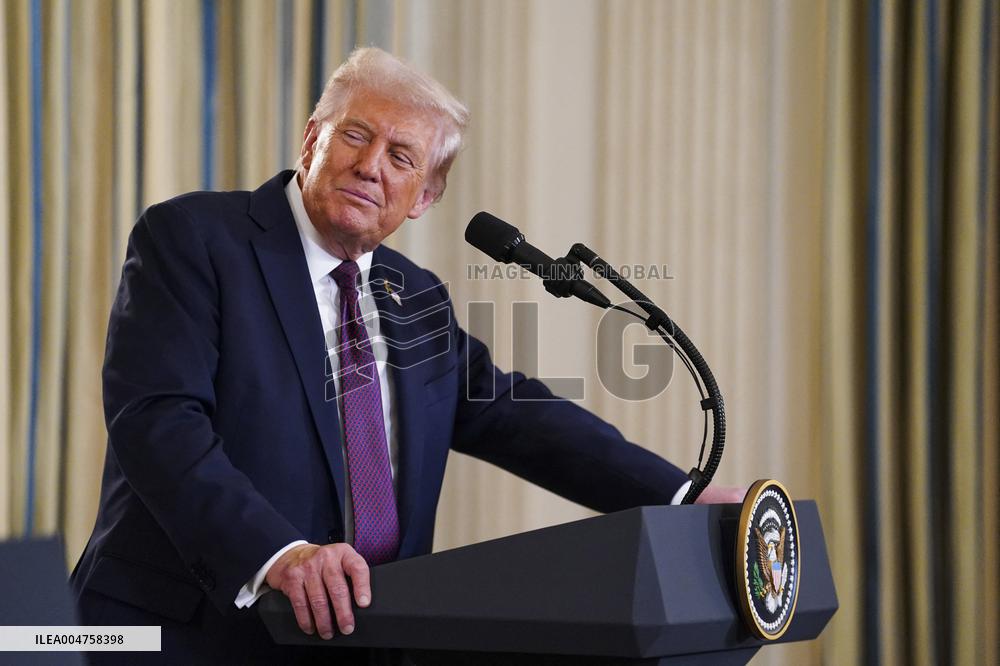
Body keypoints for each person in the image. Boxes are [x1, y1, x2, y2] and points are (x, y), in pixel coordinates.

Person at [70, 48, 743, 665]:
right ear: (313, 140)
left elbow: (510, 413)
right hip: (184, 635)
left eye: (401, 156)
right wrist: (277, 553)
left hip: (364, 636)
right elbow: (157, 421)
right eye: (356, 135)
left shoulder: (414, 296)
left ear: (424, 197)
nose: (371, 165)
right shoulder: (196, 239)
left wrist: (682, 495)